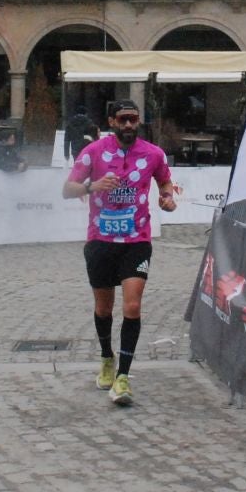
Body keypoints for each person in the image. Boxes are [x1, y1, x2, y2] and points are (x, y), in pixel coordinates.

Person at [62, 100, 177, 407]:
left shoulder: (153, 154)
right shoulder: (94, 152)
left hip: (136, 241)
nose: (128, 125)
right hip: (100, 241)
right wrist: (93, 186)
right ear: (112, 121)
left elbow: (165, 183)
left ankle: (123, 377)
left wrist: (167, 199)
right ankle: (106, 358)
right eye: (123, 119)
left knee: (133, 305)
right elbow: (67, 189)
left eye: (133, 120)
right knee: (104, 308)